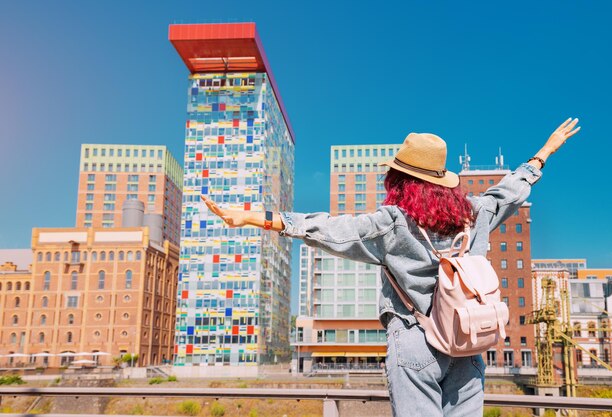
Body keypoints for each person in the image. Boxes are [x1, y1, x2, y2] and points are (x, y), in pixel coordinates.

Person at [201, 118, 580, 417]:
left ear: (400, 179)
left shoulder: (393, 222)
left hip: (417, 339)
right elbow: (510, 190)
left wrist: (259, 218)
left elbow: (332, 229)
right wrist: (543, 153)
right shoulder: (475, 213)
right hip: (468, 340)